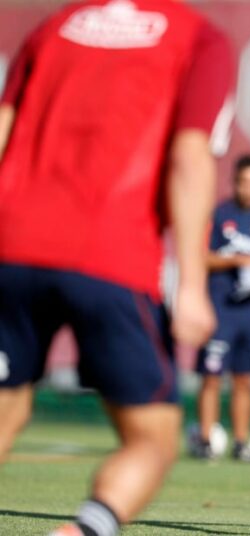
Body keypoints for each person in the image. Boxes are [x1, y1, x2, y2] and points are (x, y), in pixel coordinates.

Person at [0, 1, 234, 535]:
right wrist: (194, 284)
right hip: (109, 255)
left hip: (10, 245)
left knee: (5, 409)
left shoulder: (55, 26)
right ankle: (86, 530)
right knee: (153, 439)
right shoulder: (199, 39)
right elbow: (190, 155)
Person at [191, 155, 250, 461]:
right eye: (245, 181)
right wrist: (237, 259)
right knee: (212, 376)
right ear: (235, 181)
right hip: (219, 308)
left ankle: (241, 443)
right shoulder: (217, 216)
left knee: (244, 378)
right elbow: (203, 257)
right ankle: (204, 439)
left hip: (248, 312)